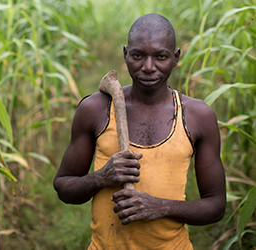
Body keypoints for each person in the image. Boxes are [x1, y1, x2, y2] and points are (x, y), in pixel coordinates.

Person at [53, 13, 226, 249]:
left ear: (175, 58)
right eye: (137, 55)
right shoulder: (96, 109)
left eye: (161, 57)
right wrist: (101, 178)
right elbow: (64, 188)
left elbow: (216, 206)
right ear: (125, 54)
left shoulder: (198, 117)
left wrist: (160, 206)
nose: (148, 67)